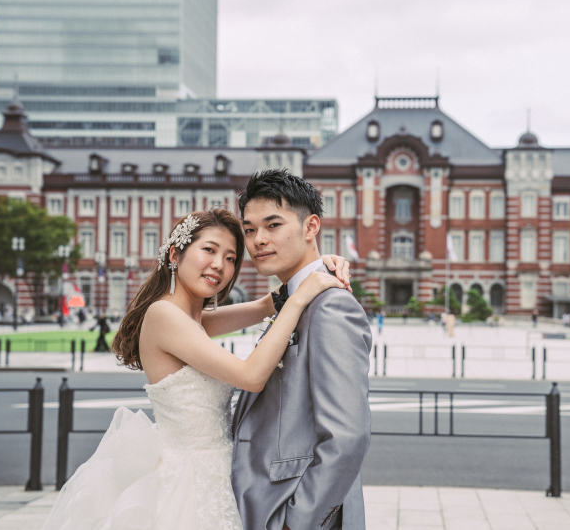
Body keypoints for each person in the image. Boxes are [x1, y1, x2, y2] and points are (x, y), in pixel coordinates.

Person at [42, 207, 352, 530]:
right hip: (189, 484)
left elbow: (265, 305)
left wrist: (319, 265)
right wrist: (302, 298)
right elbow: (251, 376)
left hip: (213, 475)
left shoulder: (192, 319)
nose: (220, 265)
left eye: (231, 258)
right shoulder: (165, 316)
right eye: (209, 250)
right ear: (175, 254)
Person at [233, 169, 372, 530]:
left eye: (273, 225)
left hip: (288, 510)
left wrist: (298, 522)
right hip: (261, 501)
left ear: (311, 227)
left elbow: (346, 436)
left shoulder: (330, 307)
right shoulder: (292, 297)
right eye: (249, 229)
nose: (258, 240)